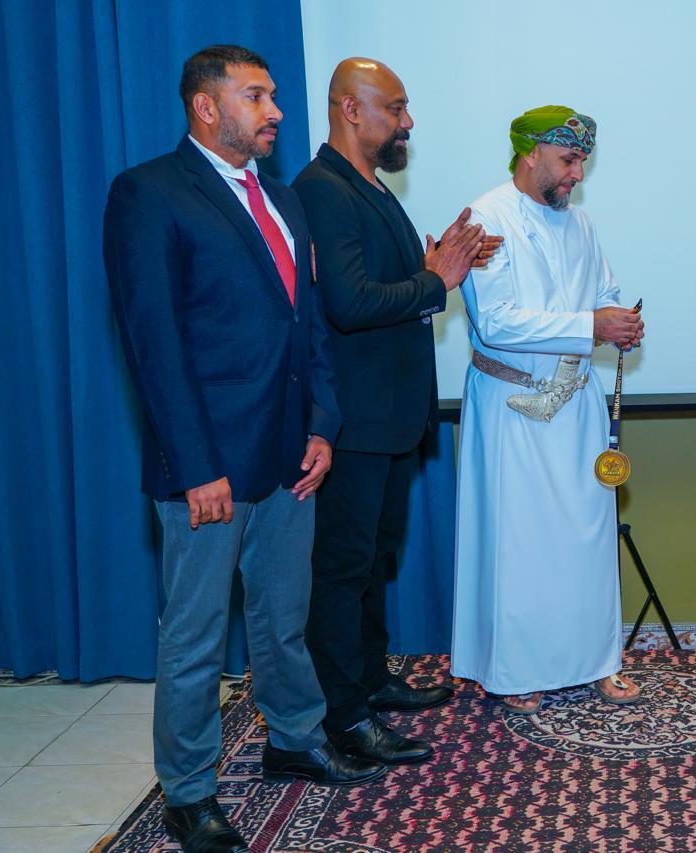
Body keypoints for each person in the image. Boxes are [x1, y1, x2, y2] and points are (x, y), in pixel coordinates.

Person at [103, 45, 384, 853]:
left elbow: (309, 326)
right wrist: (196, 467)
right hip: (209, 468)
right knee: (193, 640)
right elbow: (154, 344)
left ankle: (294, 738)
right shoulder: (149, 193)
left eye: (273, 96)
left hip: (290, 458)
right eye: (256, 96)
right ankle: (189, 793)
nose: (276, 112)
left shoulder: (284, 199)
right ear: (206, 106)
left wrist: (323, 425)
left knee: (283, 619)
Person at [293, 58, 495, 765]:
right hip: (351, 424)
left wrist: (444, 260)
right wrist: (435, 280)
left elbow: (385, 280)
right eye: (397, 108)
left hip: (389, 419)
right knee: (342, 570)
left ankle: (369, 679)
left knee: (374, 561)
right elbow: (348, 303)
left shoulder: (369, 186)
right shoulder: (322, 190)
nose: (408, 122)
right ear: (352, 109)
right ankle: (342, 714)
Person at [450, 105, 645, 714]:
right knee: (522, 543)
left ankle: (598, 661)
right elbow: (497, 322)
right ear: (530, 153)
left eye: (583, 161)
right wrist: (592, 325)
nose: (577, 174)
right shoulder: (485, 219)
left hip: (579, 406)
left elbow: (604, 292)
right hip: (513, 407)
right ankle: (517, 670)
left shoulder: (581, 222)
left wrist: (620, 321)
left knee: (588, 539)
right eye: (568, 160)